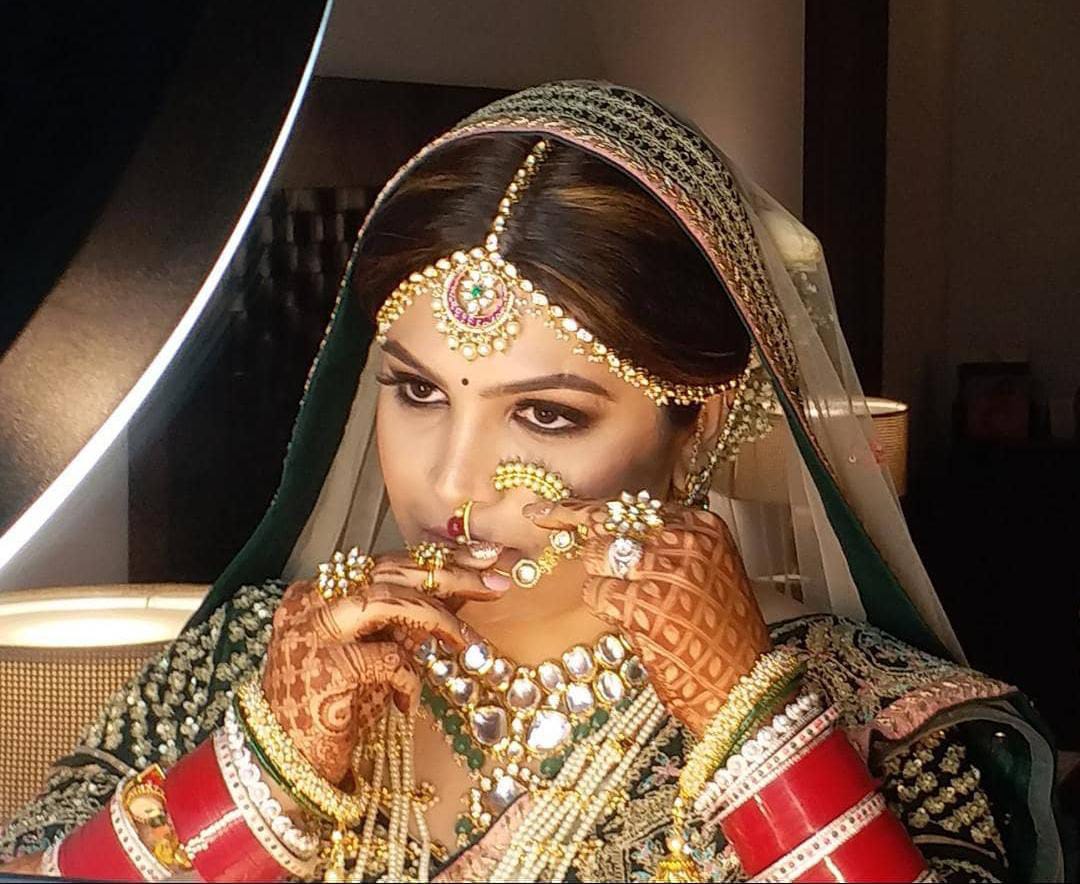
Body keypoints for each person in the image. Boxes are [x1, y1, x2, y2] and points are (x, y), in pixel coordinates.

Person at [0, 80, 1063, 882]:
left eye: (547, 413)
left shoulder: (872, 714)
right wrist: (265, 771)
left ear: (698, 420)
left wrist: (749, 727)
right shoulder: (267, 658)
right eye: (417, 391)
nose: (452, 480)